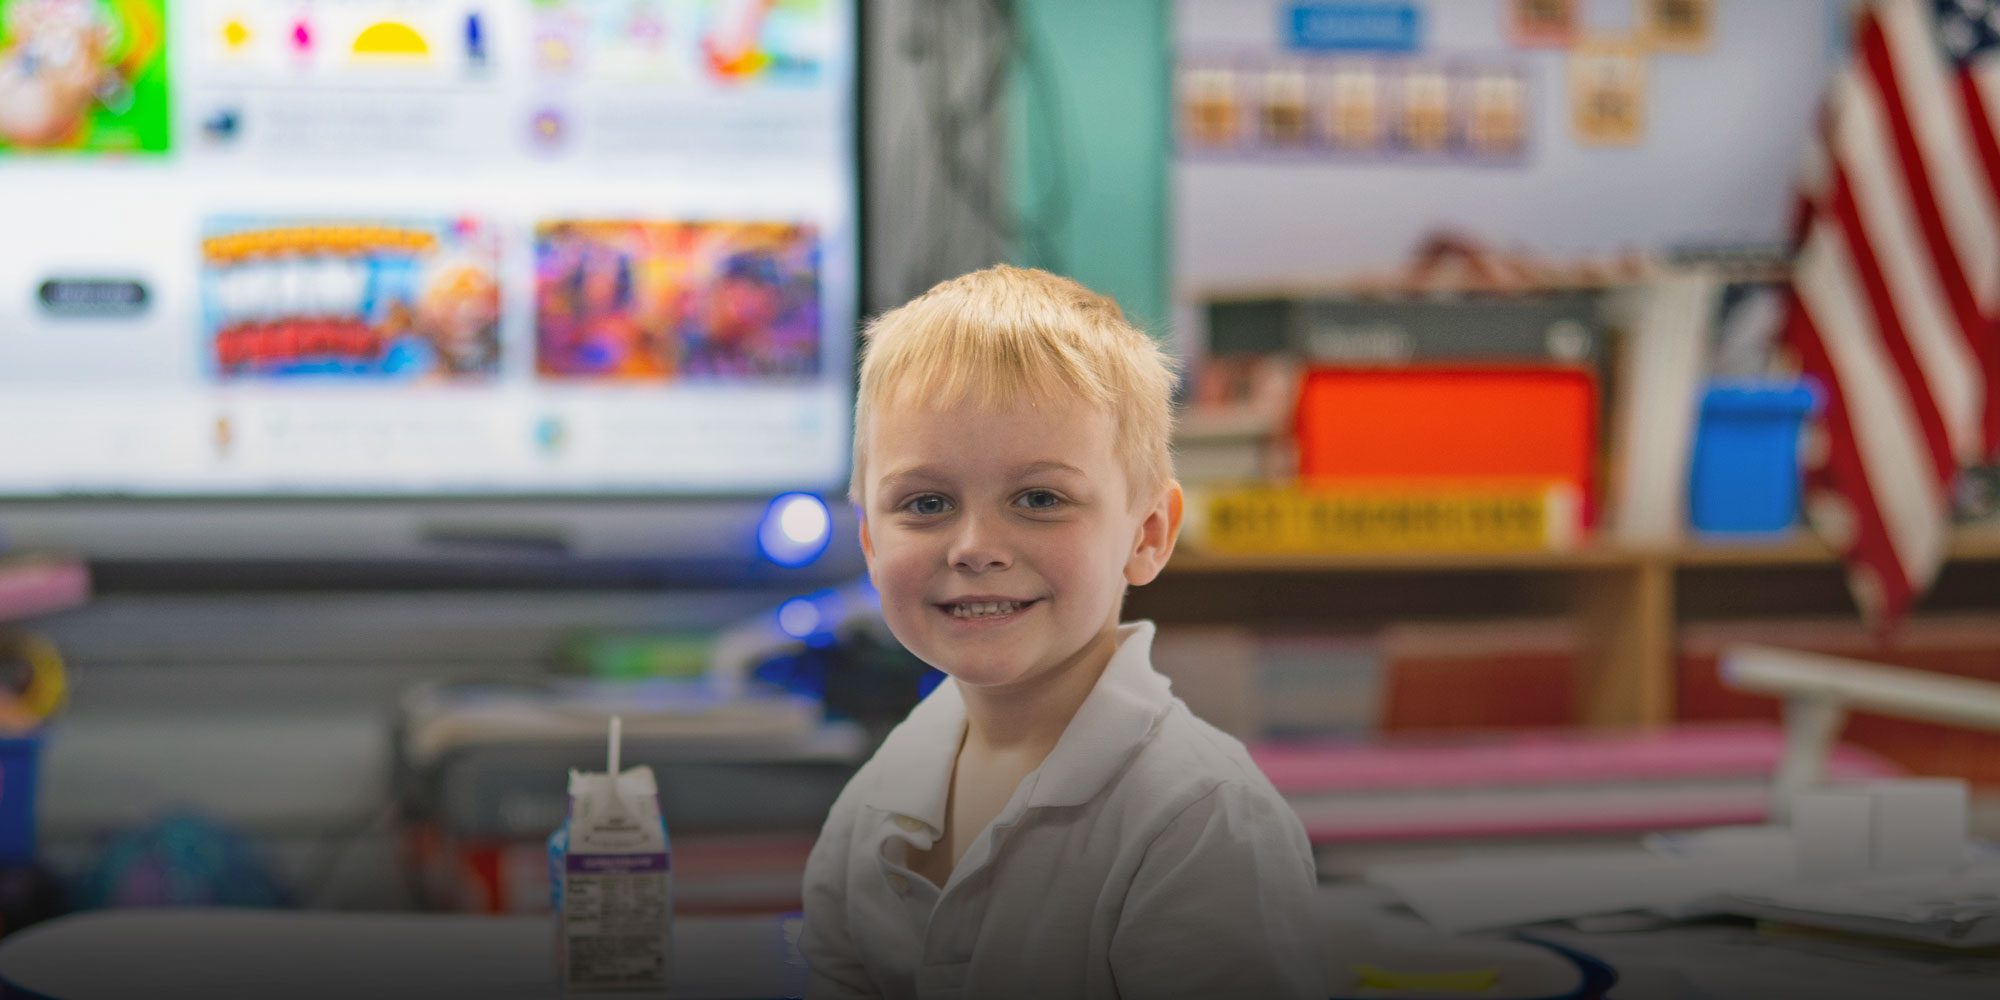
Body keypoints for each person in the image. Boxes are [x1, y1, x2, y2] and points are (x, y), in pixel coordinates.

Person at [802, 265, 1323, 999]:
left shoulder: (1203, 820)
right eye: (924, 503)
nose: (974, 546)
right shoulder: (873, 801)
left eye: (1040, 498)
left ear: (1146, 536)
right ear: (870, 545)